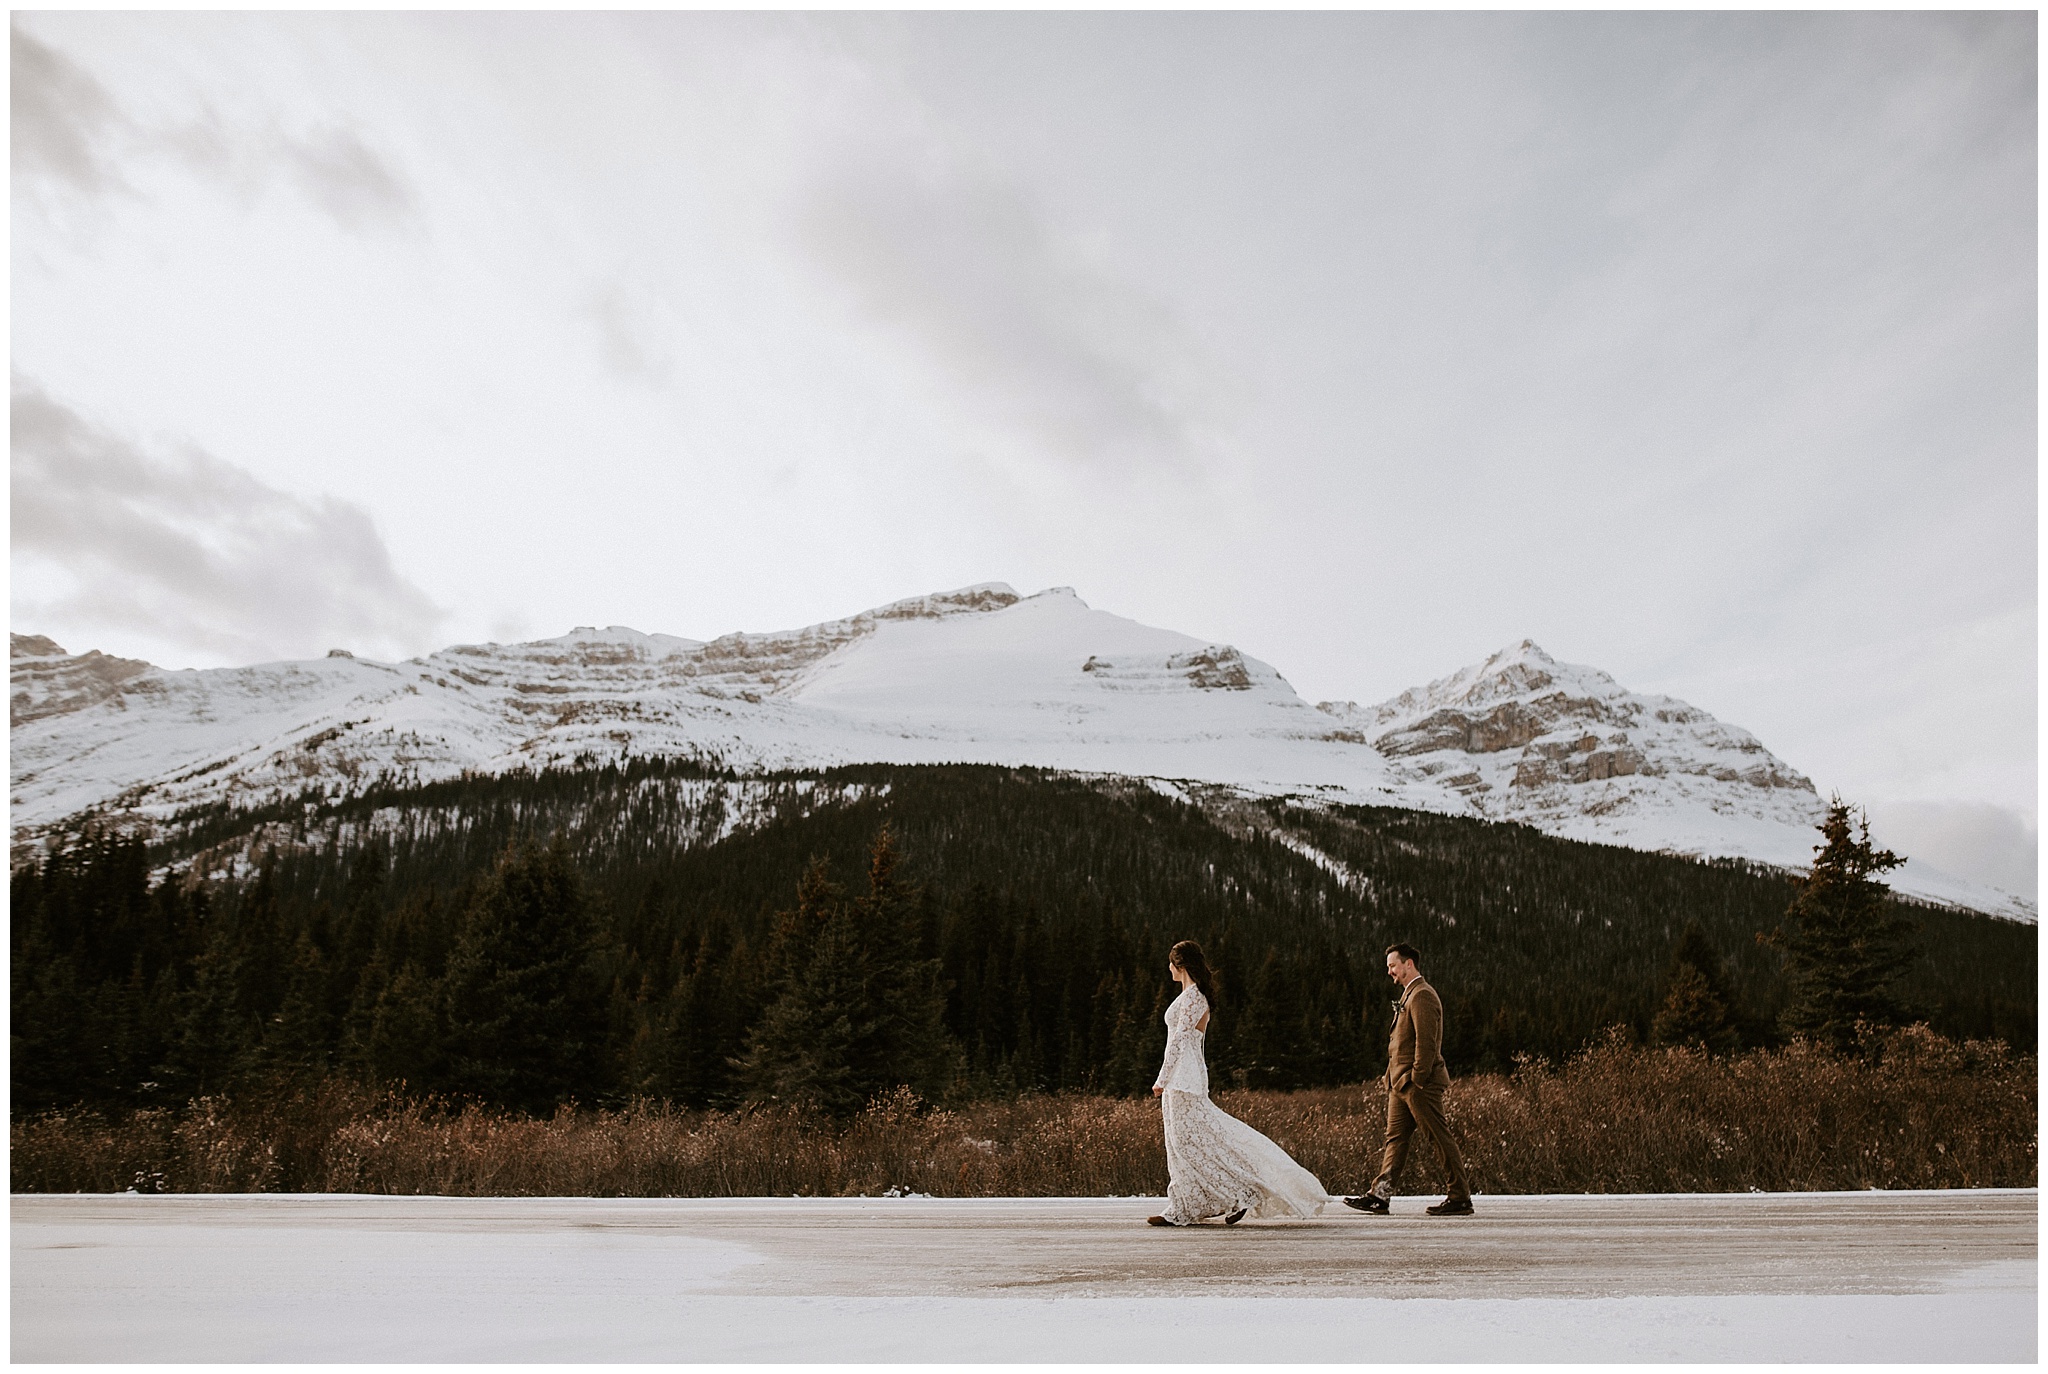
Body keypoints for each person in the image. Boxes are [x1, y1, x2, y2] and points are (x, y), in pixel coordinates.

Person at [1146, 940, 1335, 1227]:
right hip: (1181, 1079)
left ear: (1180, 965)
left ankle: (1237, 1192)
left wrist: (1162, 1078)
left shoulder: (1195, 997)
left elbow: (1181, 1040)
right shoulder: (1190, 995)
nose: (1168, 968)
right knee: (1187, 1142)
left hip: (1183, 1079)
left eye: (1171, 963)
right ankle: (1196, 1202)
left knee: (1192, 1141)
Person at [1345, 942, 1475, 1217]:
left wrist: (1417, 1078)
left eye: (1393, 966)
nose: (1390, 972)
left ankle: (1460, 1197)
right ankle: (1379, 1196)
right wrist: (1392, 1078)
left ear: (1409, 964)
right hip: (1399, 1083)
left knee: (1439, 1137)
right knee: (1395, 1139)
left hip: (1418, 1084)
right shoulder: (1409, 994)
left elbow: (1426, 1044)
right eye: (1389, 967)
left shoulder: (1422, 995)